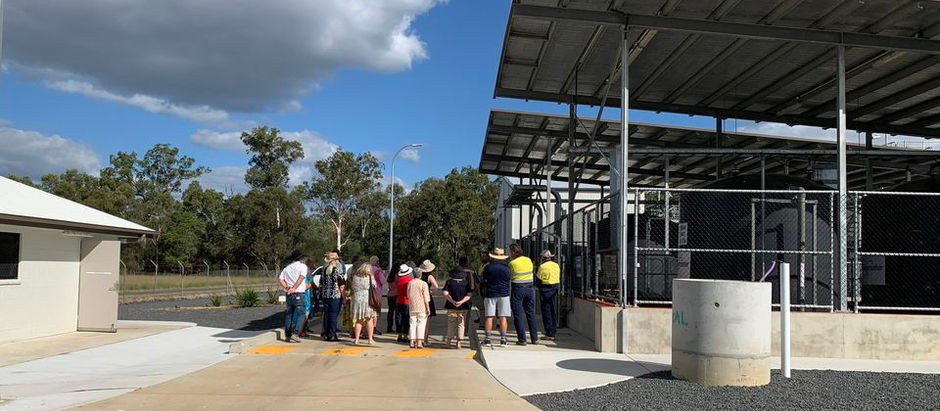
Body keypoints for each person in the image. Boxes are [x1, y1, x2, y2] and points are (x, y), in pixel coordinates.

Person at [508, 244, 539, 346]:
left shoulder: (512, 263)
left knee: (518, 315)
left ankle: (522, 339)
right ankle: (535, 338)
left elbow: (510, 276)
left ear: (513, 252)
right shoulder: (528, 260)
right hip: (530, 289)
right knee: (531, 314)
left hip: (518, 290)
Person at [481, 247, 511, 346]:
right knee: (503, 317)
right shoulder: (507, 268)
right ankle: (503, 339)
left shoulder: (488, 267)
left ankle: (488, 338)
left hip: (490, 293)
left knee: (489, 317)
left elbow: (484, 279)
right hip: (504, 294)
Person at [443, 257, 474, 349]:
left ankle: (448, 341)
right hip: (463, 306)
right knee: (461, 323)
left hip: (451, 306)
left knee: (451, 323)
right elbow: (469, 295)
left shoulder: (449, 282)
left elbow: (445, 293)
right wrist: (461, 302)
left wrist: (452, 301)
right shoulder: (466, 283)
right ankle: (459, 342)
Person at [278, 250, 308, 343]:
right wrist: (294, 287)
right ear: (300, 258)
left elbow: (280, 278)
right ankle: (295, 333)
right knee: (301, 313)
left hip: (289, 293)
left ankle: (287, 335)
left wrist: (287, 287)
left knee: (289, 314)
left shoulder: (287, 268)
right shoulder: (303, 266)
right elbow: (301, 278)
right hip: (298, 293)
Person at [319, 251, 347, 341]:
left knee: (327, 315)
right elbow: (341, 285)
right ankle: (332, 334)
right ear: (334, 260)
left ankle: (326, 334)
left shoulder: (324, 270)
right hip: (335, 295)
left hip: (325, 295)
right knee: (333, 315)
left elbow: (321, 282)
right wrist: (344, 297)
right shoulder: (337, 270)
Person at [349, 263, 378, 345]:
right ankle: (370, 339)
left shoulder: (355, 277)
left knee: (358, 320)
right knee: (369, 319)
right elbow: (374, 286)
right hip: (367, 300)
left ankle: (356, 339)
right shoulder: (369, 277)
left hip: (357, 300)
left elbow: (353, 287)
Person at [536, 249, 561, 341]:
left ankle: (549, 333)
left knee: (546, 312)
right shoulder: (556, 265)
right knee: (553, 311)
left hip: (545, 288)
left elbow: (538, 280)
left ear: (543, 258)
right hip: (555, 288)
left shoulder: (542, 267)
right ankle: (553, 331)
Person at [407, 269, 431, 349]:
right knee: (421, 324)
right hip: (422, 307)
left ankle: (411, 341)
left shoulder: (410, 283)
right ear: (420, 275)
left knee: (412, 324)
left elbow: (408, 294)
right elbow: (426, 297)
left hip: (412, 306)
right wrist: (428, 308)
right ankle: (419, 342)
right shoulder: (423, 284)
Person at [418, 260, 439, 346]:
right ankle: (425, 339)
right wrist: (432, 292)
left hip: (419, 298)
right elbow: (436, 286)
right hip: (427, 298)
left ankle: (418, 338)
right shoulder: (429, 276)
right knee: (427, 320)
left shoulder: (419, 275)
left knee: (419, 320)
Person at [395, 264, 414, 343]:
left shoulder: (398, 279)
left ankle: (399, 335)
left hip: (399, 300)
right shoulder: (409, 280)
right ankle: (405, 335)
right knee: (406, 319)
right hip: (407, 300)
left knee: (399, 318)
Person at [369, 256, 386, 336]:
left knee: (369, 311)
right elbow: (383, 281)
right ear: (377, 262)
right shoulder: (378, 271)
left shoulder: (367, 269)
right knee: (376, 312)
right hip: (377, 293)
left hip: (368, 292)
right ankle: (374, 328)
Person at [386, 265, 399, 334]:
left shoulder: (389, 276)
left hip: (390, 294)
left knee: (390, 312)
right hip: (396, 294)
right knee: (397, 312)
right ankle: (398, 327)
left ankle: (389, 327)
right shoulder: (397, 276)